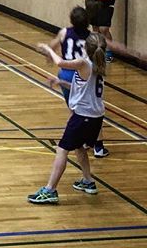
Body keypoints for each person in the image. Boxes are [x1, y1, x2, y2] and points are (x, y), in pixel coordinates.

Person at [28, 32, 107, 205]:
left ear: (87, 47)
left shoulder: (83, 63)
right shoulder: (98, 64)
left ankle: (50, 190)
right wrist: (62, 82)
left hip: (83, 116)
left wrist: (49, 48)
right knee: (79, 147)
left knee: (62, 149)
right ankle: (88, 181)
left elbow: (60, 63)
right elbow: (85, 88)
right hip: (95, 117)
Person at [48, 6, 109, 159]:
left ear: (71, 20)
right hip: (85, 70)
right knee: (92, 106)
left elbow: (54, 46)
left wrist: (48, 52)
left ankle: (76, 140)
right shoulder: (92, 38)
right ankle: (98, 146)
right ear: (87, 21)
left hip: (69, 70)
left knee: (77, 109)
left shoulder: (64, 32)